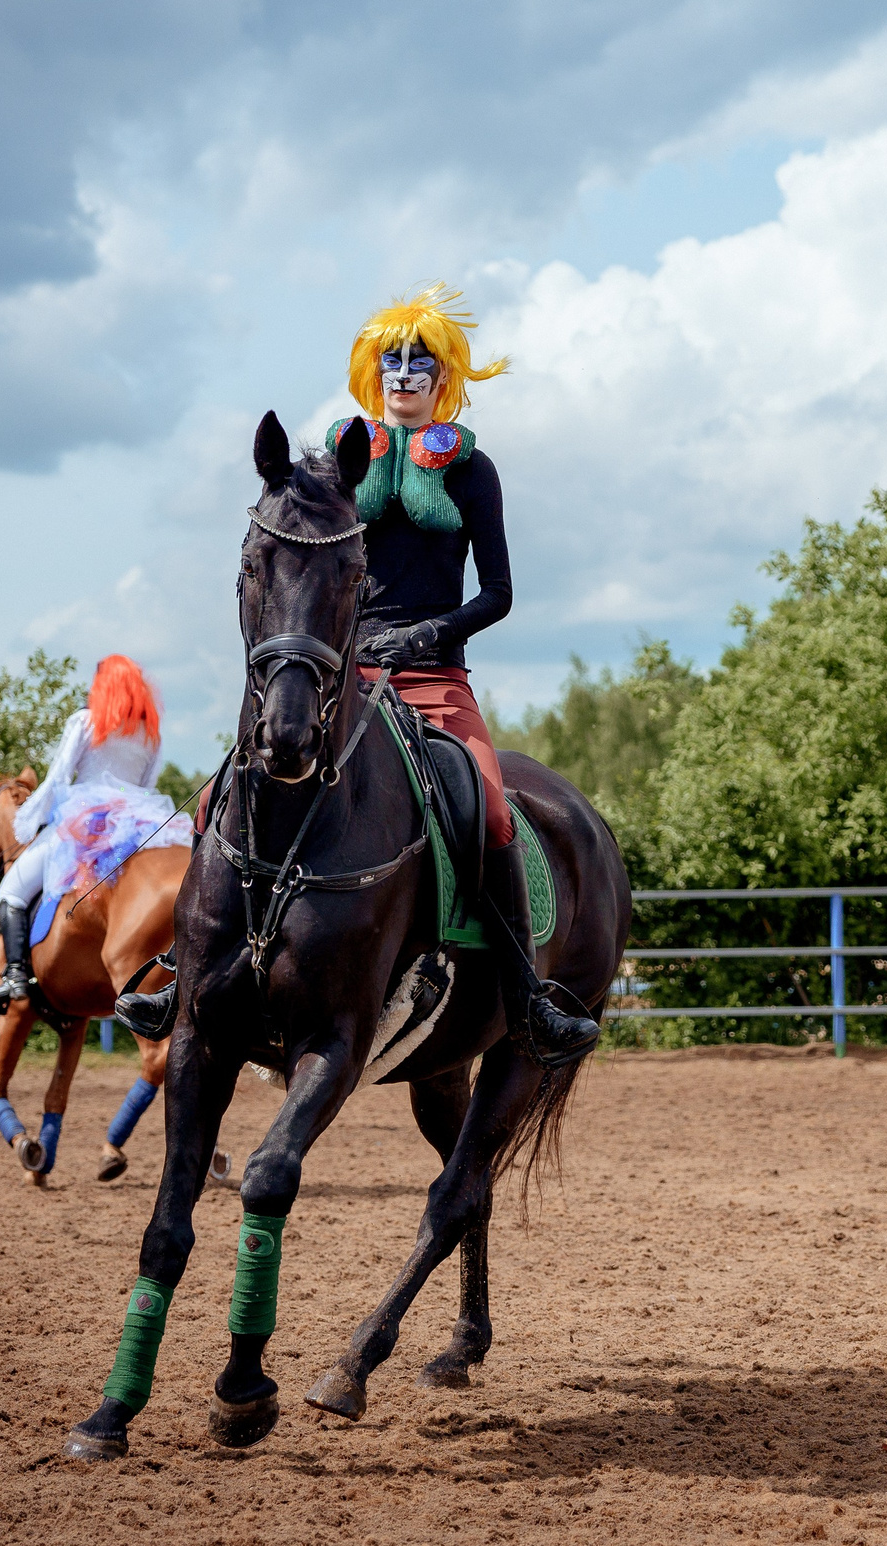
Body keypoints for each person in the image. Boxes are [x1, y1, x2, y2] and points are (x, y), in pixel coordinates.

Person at [120, 286, 596, 1059]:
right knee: (217, 795)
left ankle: (527, 996)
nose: (406, 374)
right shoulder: (344, 458)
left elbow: (500, 593)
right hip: (338, 675)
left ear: (446, 376)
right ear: (372, 373)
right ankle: (182, 971)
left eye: (422, 362)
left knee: (492, 806)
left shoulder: (474, 471)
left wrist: (434, 633)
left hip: (434, 676)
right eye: (392, 360)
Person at [0, 657, 183, 1015]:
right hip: (137, 821)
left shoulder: (86, 721)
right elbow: (147, 787)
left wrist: (31, 819)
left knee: (11, 890)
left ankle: (13, 977)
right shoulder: (149, 733)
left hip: (83, 819)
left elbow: (58, 777)